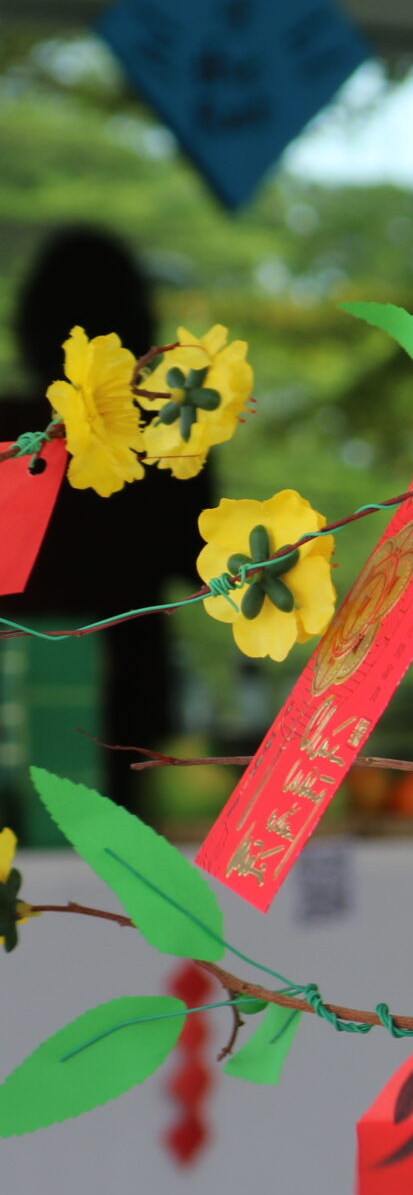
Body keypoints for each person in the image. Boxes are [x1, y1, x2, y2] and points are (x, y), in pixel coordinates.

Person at [0, 227, 209, 810]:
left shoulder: (7, 429)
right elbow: (202, 562)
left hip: (18, 684)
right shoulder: (172, 432)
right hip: (126, 691)